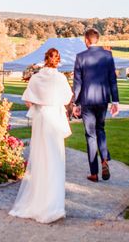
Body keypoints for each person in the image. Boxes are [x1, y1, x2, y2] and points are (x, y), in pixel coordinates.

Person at [9, 48, 73, 224]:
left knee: (40, 159)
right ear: (58, 61)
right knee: (55, 159)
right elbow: (67, 99)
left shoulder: (36, 77)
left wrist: (38, 106)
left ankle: (37, 201)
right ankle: (54, 206)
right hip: (55, 118)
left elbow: (28, 99)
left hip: (41, 119)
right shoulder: (61, 78)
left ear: (45, 59)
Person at [72, 28, 120, 182]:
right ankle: (104, 159)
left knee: (90, 135)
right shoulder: (107, 55)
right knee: (100, 129)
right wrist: (115, 101)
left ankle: (94, 173)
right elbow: (112, 79)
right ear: (97, 39)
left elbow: (78, 82)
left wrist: (76, 103)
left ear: (86, 40)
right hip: (103, 100)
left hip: (87, 101)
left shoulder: (80, 57)